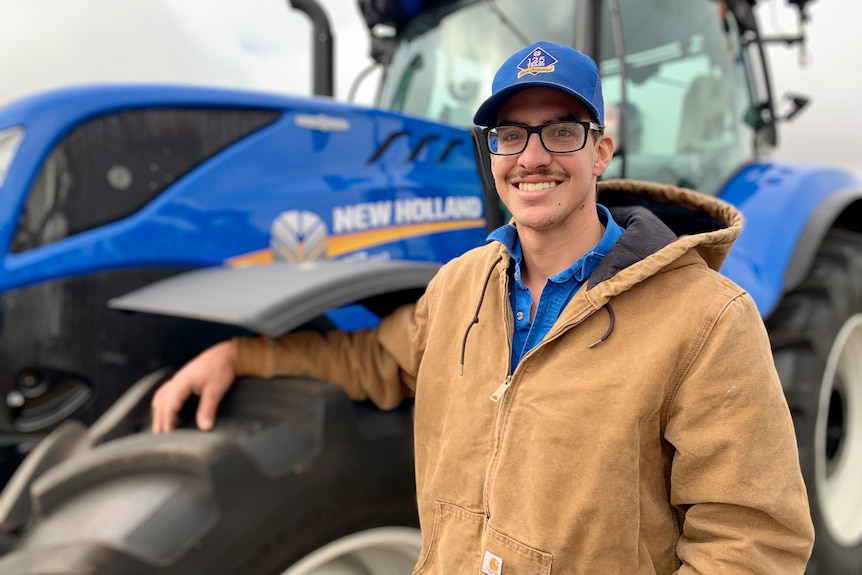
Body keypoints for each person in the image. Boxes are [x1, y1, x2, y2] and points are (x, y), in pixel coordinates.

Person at [152, 40, 815, 573]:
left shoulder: (705, 316)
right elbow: (371, 359)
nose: (531, 157)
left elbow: (753, 540)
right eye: (509, 134)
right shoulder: (458, 285)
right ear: (491, 151)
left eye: (561, 131)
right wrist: (241, 353)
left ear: (601, 151)